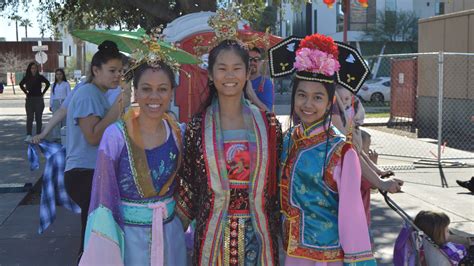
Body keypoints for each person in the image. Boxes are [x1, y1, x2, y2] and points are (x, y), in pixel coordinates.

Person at [270, 34, 376, 265]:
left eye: (317, 97)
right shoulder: (289, 139)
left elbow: (352, 214)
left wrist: (358, 260)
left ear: (330, 103)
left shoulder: (341, 151)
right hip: (290, 250)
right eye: (301, 95)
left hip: (326, 258)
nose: (308, 105)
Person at [174, 39, 282, 265]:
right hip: (214, 233)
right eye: (222, 68)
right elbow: (188, 183)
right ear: (211, 75)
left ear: (247, 73)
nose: (230, 75)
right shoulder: (198, 126)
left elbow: (279, 181)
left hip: (258, 232)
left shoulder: (268, 126)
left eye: (236, 68)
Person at [80, 59, 187, 265]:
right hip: (128, 240)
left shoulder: (178, 133)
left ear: (171, 92)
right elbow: (103, 197)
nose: (154, 96)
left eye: (162, 89)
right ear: (135, 92)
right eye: (146, 89)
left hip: (170, 236)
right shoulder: (115, 136)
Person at [64, 40, 129, 258]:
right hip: (84, 173)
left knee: (96, 235)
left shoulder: (97, 94)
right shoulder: (87, 93)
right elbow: (92, 136)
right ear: (95, 70)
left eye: (120, 71)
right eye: (112, 70)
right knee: (93, 237)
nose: (117, 75)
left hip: (93, 172)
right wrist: (119, 106)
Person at [20, 62, 50, 142]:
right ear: (30, 69)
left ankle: (38, 135)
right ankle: (29, 135)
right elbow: (20, 84)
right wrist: (26, 93)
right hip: (30, 99)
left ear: (37, 69)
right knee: (30, 118)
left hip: (39, 99)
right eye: (32, 68)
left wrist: (43, 93)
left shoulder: (40, 77)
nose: (34, 69)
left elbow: (48, 83)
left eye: (35, 68)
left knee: (38, 118)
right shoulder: (27, 77)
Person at [248, 47, 274, 111]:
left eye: (256, 59)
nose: (252, 62)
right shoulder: (237, 81)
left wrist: (250, 93)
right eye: (249, 59)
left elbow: (267, 111)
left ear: (261, 62)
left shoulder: (266, 83)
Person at [49, 68, 71, 140]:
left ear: (63, 75)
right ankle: (56, 136)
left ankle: (64, 135)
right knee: (56, 120)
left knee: (64, 119)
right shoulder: (53, 85)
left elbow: (69, 95)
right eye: (57, 74)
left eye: (60, 74)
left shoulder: (66, 84)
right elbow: (51, 95)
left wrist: (68, 105)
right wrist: (50, 105)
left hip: (64, 102)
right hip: (56, 102)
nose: (59, 76)